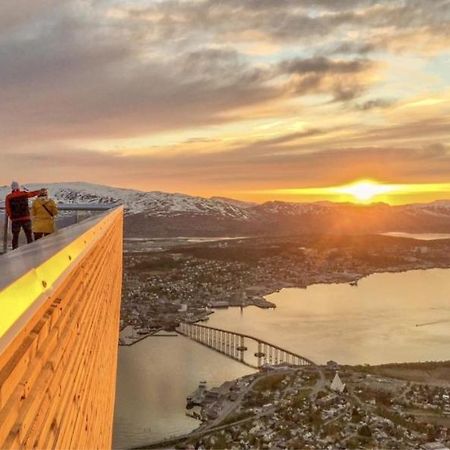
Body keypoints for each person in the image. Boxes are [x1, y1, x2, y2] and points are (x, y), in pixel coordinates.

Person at [5, 181, 44, 249]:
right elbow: (32, 194)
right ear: (18, 187)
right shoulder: (24, 194)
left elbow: (8, 209)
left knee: (15, 236)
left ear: (12, 188)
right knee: (29, 235)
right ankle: (31, 250)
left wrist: (11, 217)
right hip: (26, 218)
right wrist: (40, 191)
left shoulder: (9, 197)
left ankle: (14, 250)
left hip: (15, 219)